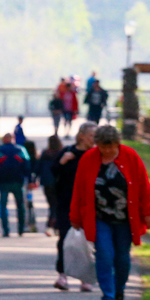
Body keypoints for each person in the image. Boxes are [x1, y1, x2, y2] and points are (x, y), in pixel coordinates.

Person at [69, 125, 150, 300]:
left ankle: (119, 290)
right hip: (100, 218)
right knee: (104, 255)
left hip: (126, 218)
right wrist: (75, 216)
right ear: (97, 145)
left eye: (111, 147)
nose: (108, 150)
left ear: (118, 143)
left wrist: (148, 211)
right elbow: (79, 189)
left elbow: (143, 185)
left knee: (122, 258)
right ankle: (107, 296)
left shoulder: (131, 157)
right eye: (103, 147)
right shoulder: (88, 159)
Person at [51, 124, 94, 291]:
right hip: (67, 203)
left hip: (89, 204)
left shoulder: (96, 155)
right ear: (82, 136)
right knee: (65, 239)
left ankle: (85, 278)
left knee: (88, 241)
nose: (94, 139)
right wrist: (62, 162)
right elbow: (53, 171)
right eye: (91, 135)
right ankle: (62, 275)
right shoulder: (68, 151)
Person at [0, 133, 32, 236]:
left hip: (3, 182)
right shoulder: (21, 149)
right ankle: (20, 229)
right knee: (20, 206)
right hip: (17, 181)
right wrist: (29, 180)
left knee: (3, 206)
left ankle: (6, 231)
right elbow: (27, 165)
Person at [35, 134, 63, 235]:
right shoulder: (61, 153)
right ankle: (54, 225)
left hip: (47, 182)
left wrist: (35, 179)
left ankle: (51, 225)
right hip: (58, 182)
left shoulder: (45, 153)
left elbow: (38, 168)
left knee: (52, 204)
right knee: (56, 204)